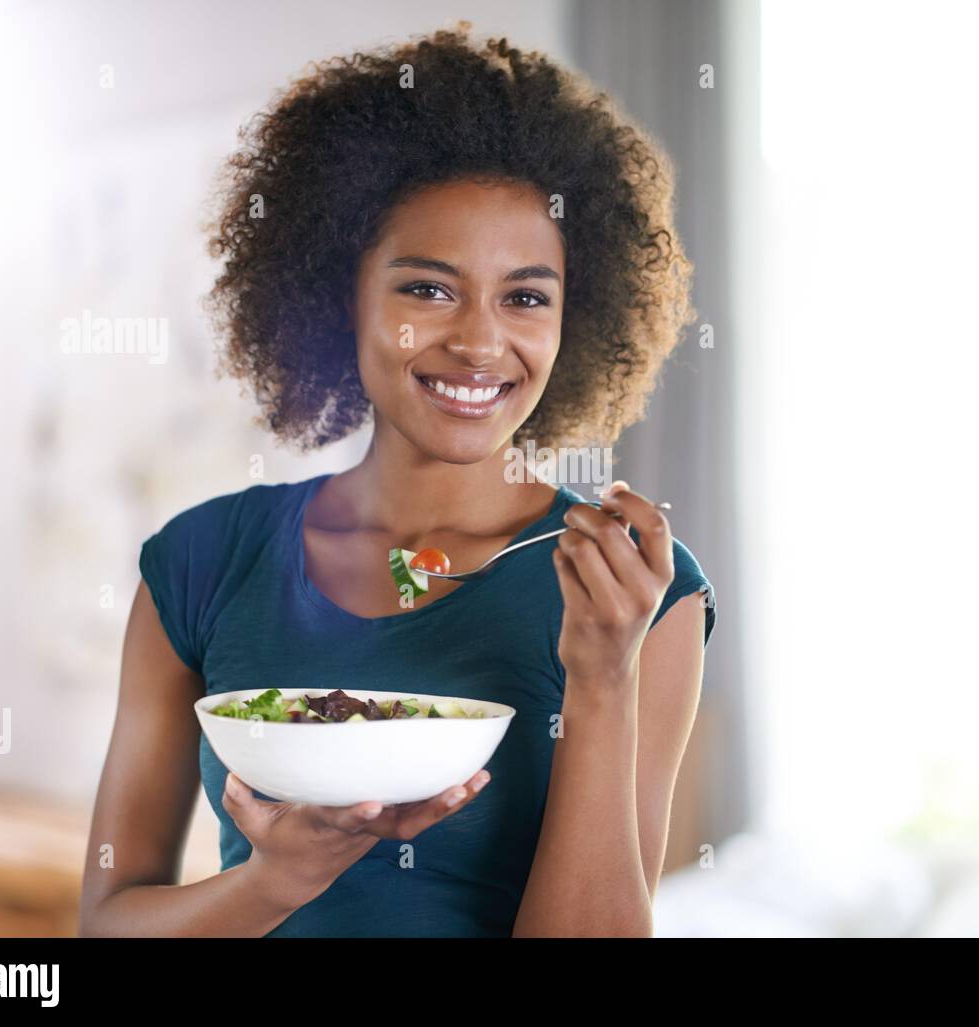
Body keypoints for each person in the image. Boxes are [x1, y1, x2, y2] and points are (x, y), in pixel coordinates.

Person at [78, 24, 715, 938]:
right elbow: (104, 928)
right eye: (427, 288)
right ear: (344, 295)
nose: (481, 342)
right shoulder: (200, 563)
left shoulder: (640, 592)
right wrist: (275, 881)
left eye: (526, 296)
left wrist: (602, 678)